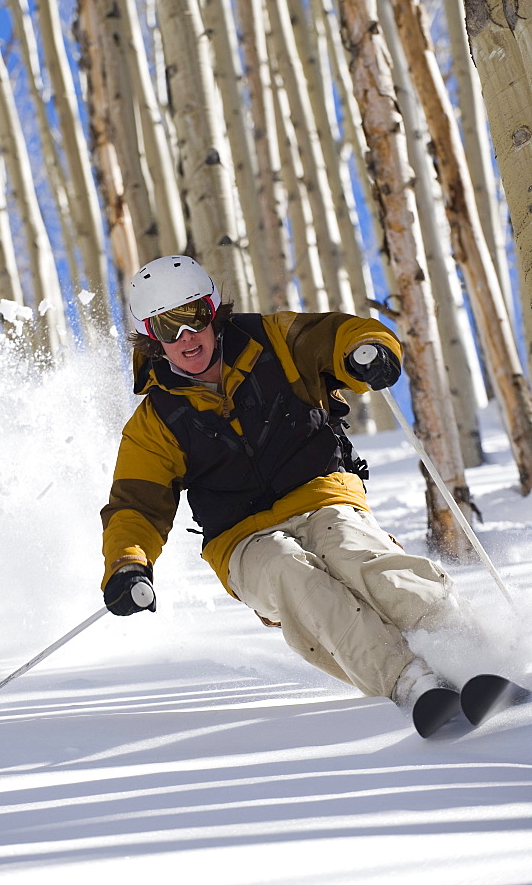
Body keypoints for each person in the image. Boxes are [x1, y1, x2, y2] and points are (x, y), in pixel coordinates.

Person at [100, 254, 466, 724]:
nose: (185, 338)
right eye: (167, 327)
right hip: (241, 540)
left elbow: (340, 335)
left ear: (212, 311)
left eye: (192, 317)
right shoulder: (155, 423)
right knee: (292, 574)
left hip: (323, 496)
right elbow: (135, 506)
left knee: (357, 555)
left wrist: (367, 352)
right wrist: (128, 563)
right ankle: (411, 683)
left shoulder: (273, 340)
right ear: (150, 338)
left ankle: (467, 646)